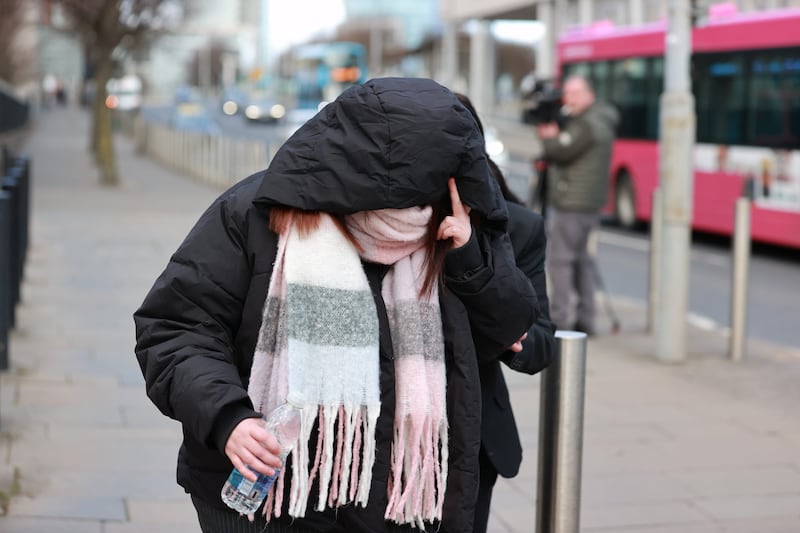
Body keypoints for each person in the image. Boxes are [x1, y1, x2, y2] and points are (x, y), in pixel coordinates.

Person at [134, 77, 541, 533]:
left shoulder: (457, 225)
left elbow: (513, 332)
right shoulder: (255, 213)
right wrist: (228, 418)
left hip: (401, 506)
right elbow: (176, 326)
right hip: (270, 503)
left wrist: (471, 261)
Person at [455, 93, 556, 533]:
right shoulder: (379, 221)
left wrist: (514, 335)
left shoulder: (518, 227)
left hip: (475, 437)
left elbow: (540, 343)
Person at [536, 75, 618, 335]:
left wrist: (549, 138)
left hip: (573, 201)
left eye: (573, 94)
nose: (567, 100)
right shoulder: (601, 119)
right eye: (566, 94)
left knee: (560, 261)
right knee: (582, 261)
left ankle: (560, 319)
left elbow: (559, 151)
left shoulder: (585, 125)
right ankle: (586, 319)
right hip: (589, 203)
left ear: (588, 94)